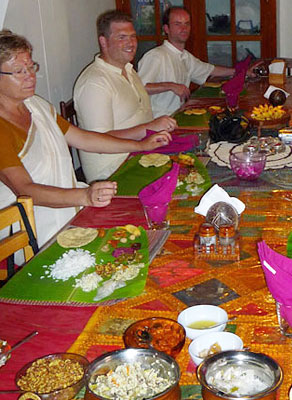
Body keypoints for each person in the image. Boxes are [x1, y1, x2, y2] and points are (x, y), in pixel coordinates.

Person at [0, 30, 171, 248]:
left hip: (69, 208)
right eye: (18, 71)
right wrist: (85, 196)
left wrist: (140, 144)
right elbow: (25, 190)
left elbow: (83, 139)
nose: (30, 76)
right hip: (29, 230)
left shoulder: (37, 106)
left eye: (32, 67)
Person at [74, 10, 177, 183]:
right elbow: (98, 142)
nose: (130, 43)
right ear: (103, 42)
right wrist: (149, 128)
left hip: (143, 155)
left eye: (133, 36)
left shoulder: (128, 69)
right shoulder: (94, 83)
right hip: (114, 171)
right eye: (121, 37)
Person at [138, 6, 256, 118]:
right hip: (159, 122)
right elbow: (139, 89)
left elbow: (211, 70)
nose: (183, 29)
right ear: (166, 29)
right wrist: (171, 86)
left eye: (187, 24)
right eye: (177, 24)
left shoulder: (185, 56)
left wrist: (244, 72)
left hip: (178, 116)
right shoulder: (156, 56)